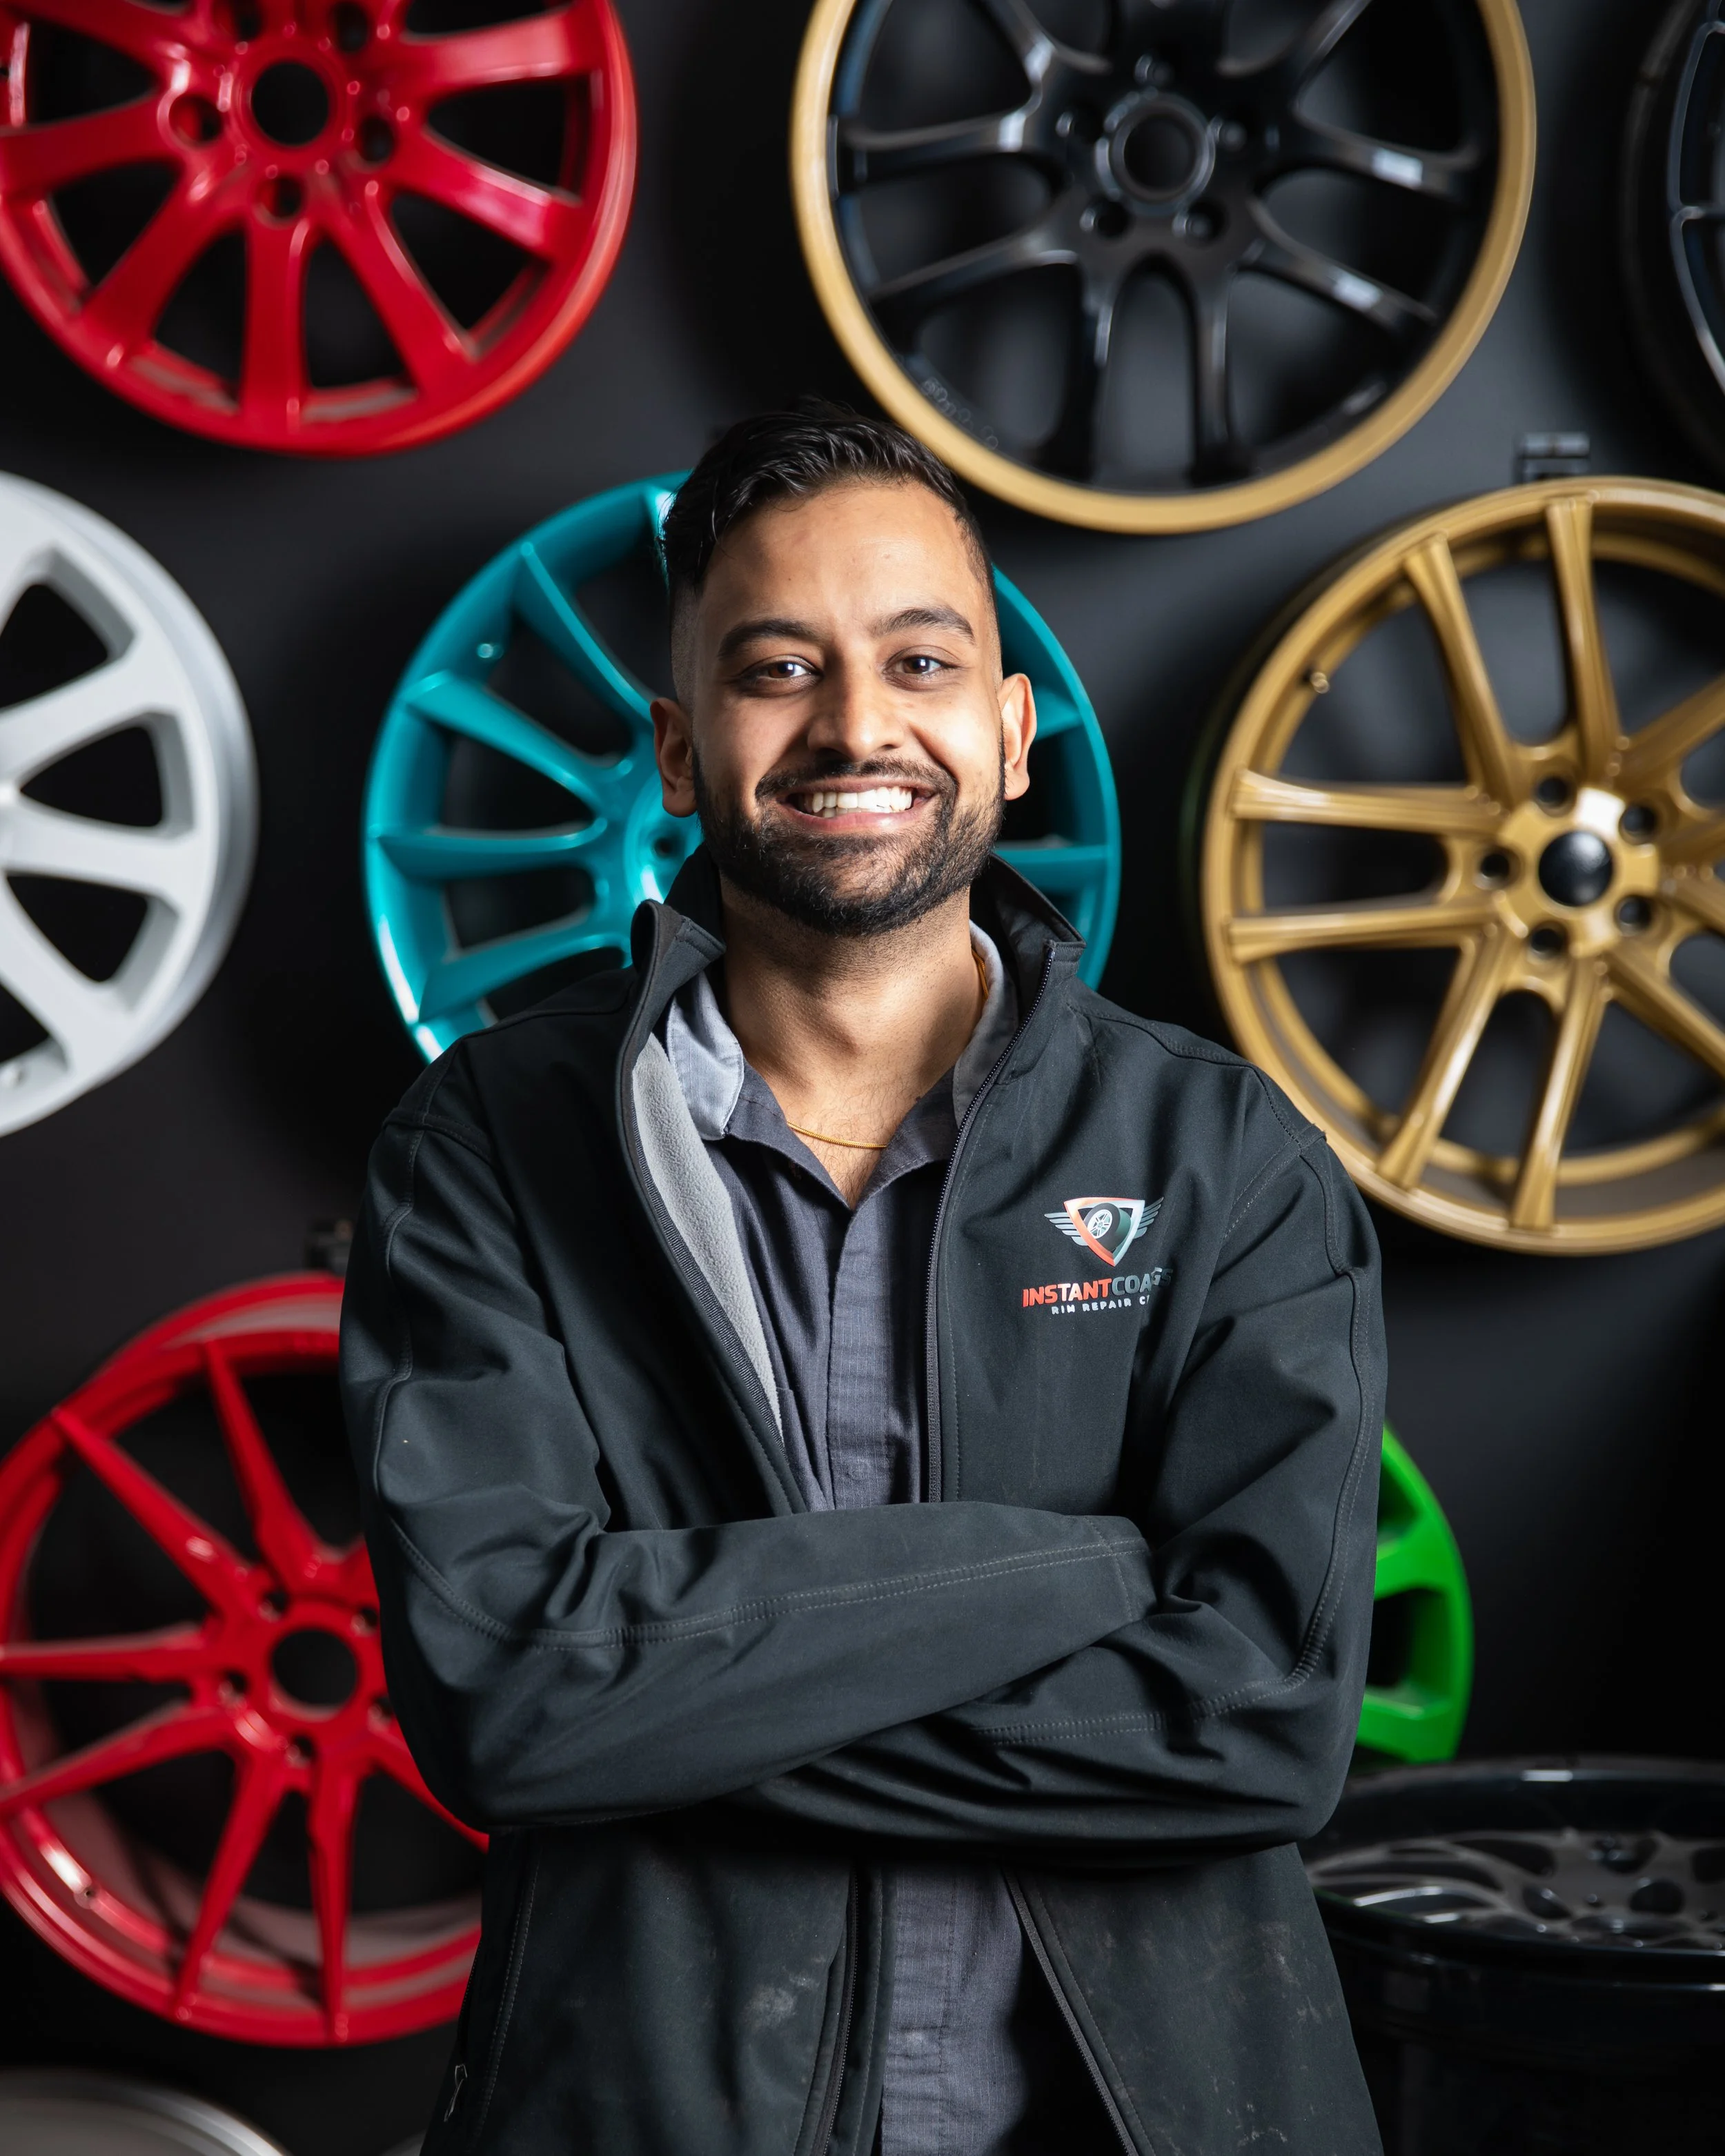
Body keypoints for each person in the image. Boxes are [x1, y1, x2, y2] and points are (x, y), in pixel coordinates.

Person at [341, 406, 1386, 2156]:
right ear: (678, 750)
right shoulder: (486, 1149)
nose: (854, 724)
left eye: (918, 656)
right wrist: (1086, 1570)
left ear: (1008, 726)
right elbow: (506, 1705)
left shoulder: (1225, 1158)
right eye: (776, 667)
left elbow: (1266, 1721)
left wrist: (672, 1697)